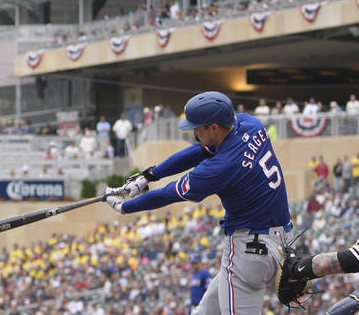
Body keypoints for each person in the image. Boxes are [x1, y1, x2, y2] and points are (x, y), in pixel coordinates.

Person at [105, 91, 292, 314]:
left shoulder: (219, 168)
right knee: (205, 311)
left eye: (198, 127)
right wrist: (150, 175)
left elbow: (167, 194)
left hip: (248, 249)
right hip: (282, 240)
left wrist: (124, 207)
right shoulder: (249, 124)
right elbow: (199, 151)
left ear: (214, 127)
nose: (194, 132)